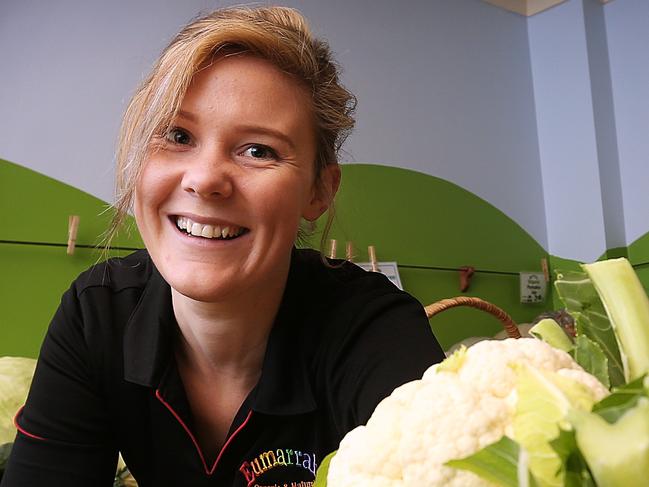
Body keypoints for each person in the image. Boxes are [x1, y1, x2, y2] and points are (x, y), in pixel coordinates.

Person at [2, 6, 444, 486]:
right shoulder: (96, 316)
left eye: (259, 150)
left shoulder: (374, 331)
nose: (206, 179)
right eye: (177, 135)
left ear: (319, 191)